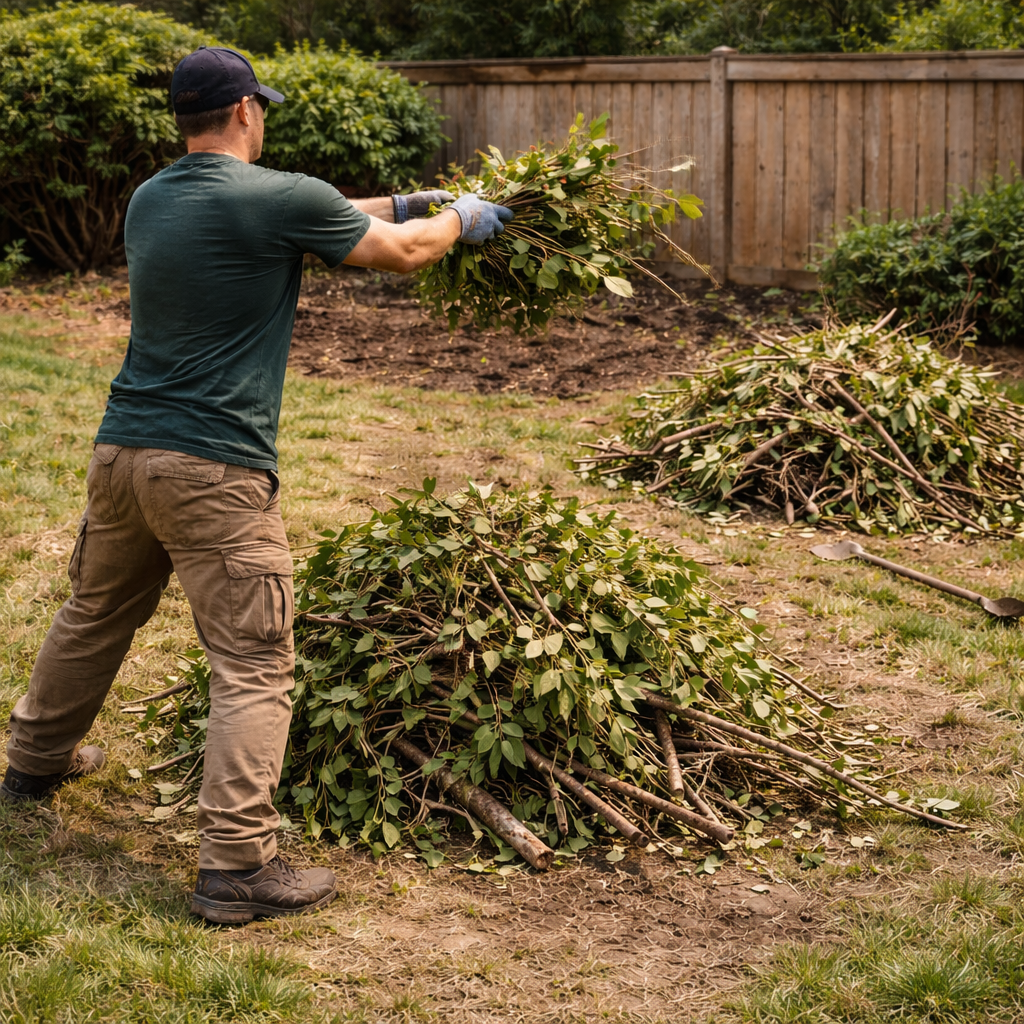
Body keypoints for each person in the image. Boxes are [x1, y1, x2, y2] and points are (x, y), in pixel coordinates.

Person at [0, 46, 512, 925]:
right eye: (261, 107)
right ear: (244, 110)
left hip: (122, 454)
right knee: (253, 660)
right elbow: (398, 254)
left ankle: (31, 766)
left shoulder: (152, 197)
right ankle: (237, 863)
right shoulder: (280, 195)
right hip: (214, 469)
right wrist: (458, 219)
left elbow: (306, 217)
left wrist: (405, 201)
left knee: (93, 613)